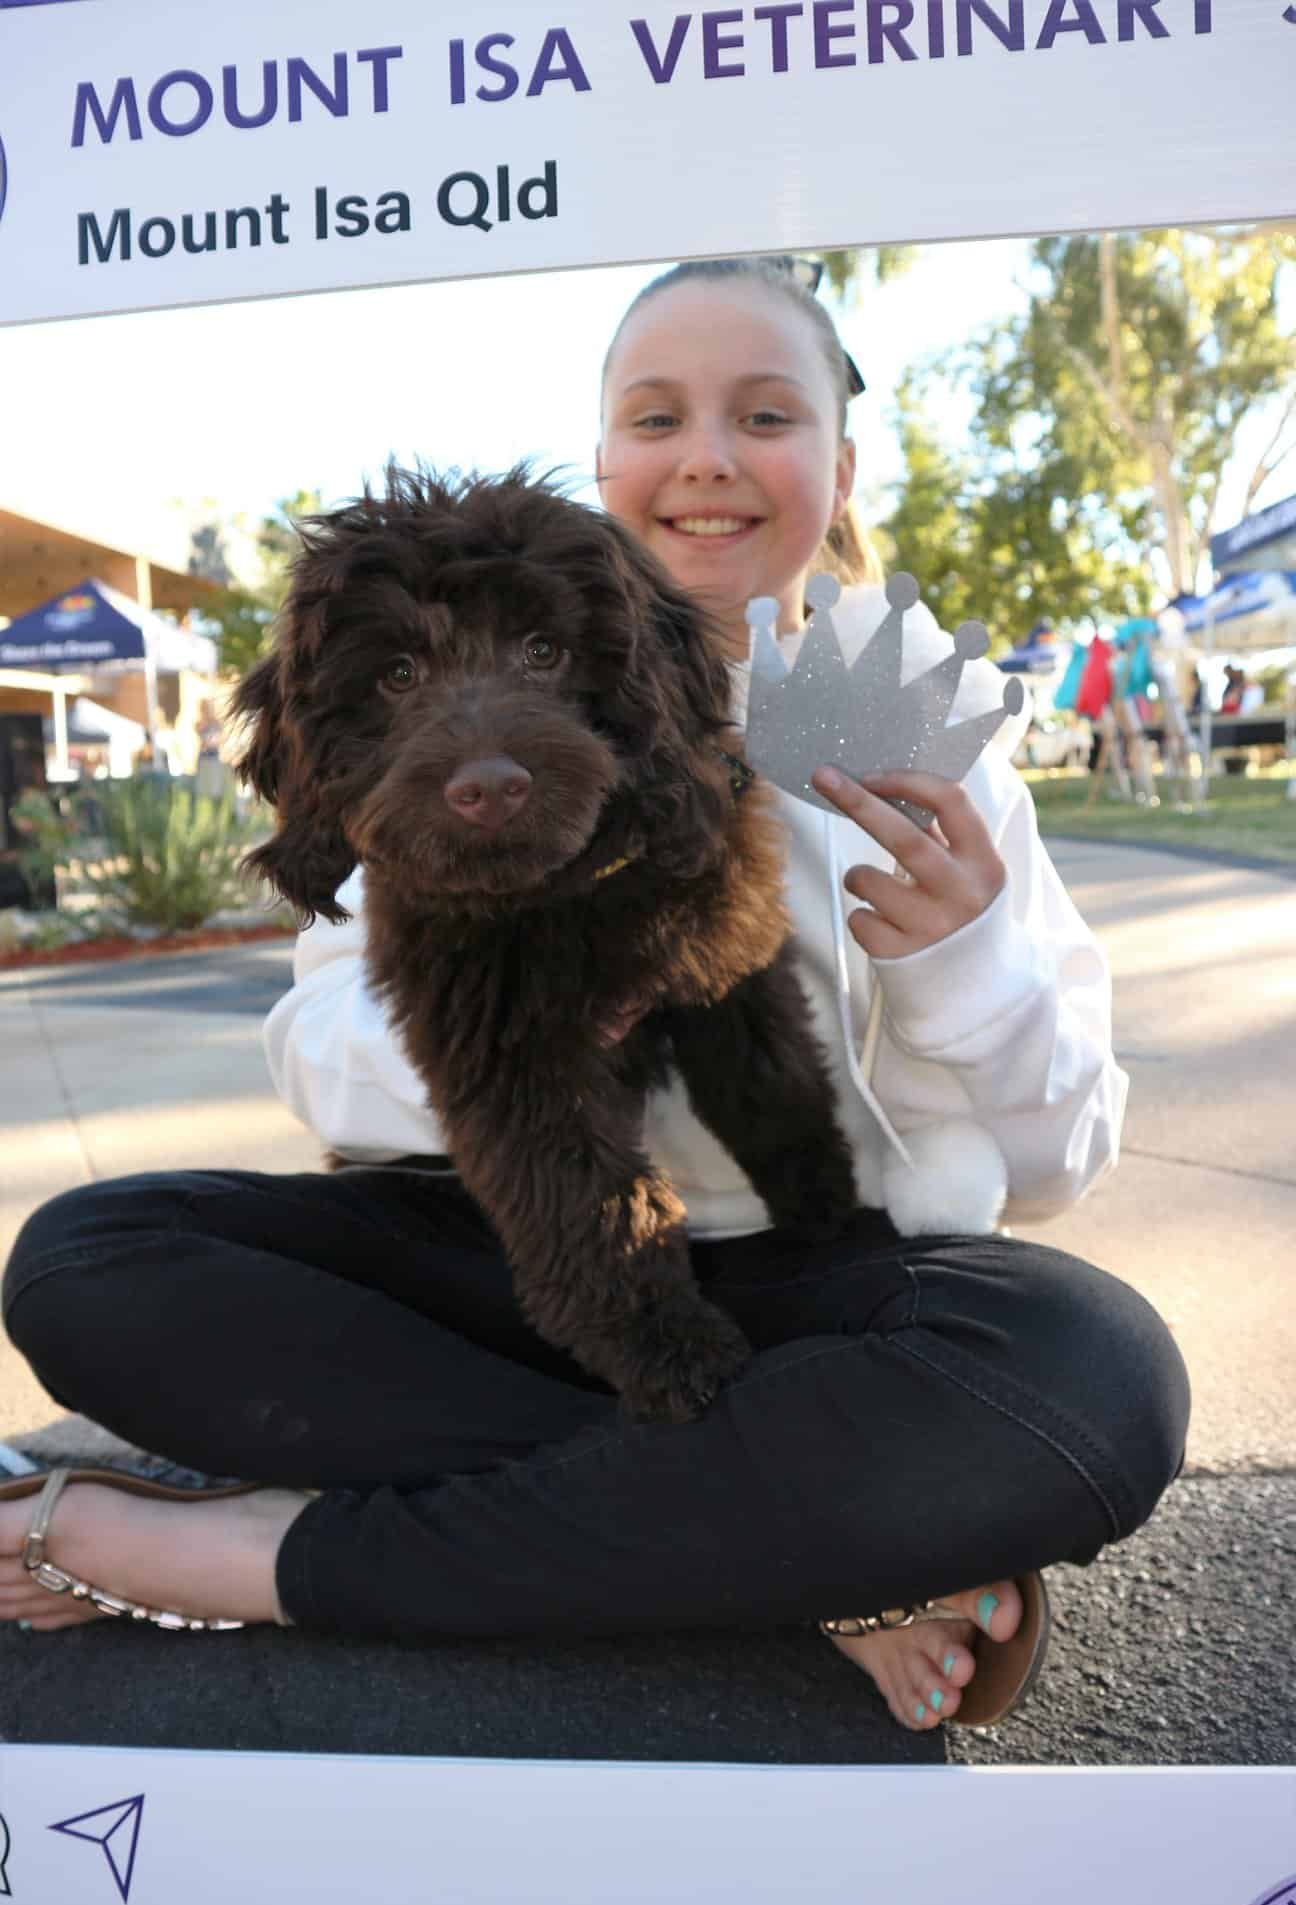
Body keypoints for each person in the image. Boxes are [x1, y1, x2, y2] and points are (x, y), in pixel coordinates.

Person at [0, 257, 1189, 1736]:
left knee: (1093, 1378)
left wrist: (960, 956)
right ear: (602, 456)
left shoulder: (923, 727)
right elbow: (318, 1049)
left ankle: (268, 1553)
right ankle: (803, 1555)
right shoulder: (469, 721)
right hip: (518, 1254)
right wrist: (530, 1018)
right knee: (84, 1259)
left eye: (765, 414)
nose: (705, 455)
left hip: (820, 1287)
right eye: (654, 416)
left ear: (841, 460)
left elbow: (1057, 1166)